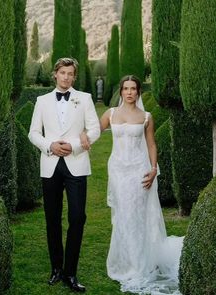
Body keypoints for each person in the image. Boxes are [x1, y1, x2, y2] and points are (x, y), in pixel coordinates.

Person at [81, 75, 183, 295]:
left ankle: (138, 265)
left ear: (137, 92)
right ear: (121, 91)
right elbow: (94, 133)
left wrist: (154, 169)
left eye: (133, 89)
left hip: (139, 170)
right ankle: (124, 261)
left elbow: (152, 144)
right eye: (125, 88)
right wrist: (83, 135)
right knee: (122, 215)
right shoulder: (110, 114)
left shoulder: (146, 116)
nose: (129, 92)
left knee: (136, 216)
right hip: (118, 171)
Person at [28, 57, 100, 293]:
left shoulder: (85, 99)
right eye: (63, 73)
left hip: (76, 163)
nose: (67, 77)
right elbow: (34, 133)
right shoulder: (42, 101)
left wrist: (75, 146)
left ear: (74, 76)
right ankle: (56, 269)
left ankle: (70, 272)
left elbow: (95, 129)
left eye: (71, 74)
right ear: (55, 74)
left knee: (78, 217)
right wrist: (50, 145)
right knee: (52, 219)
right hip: (50, 164)